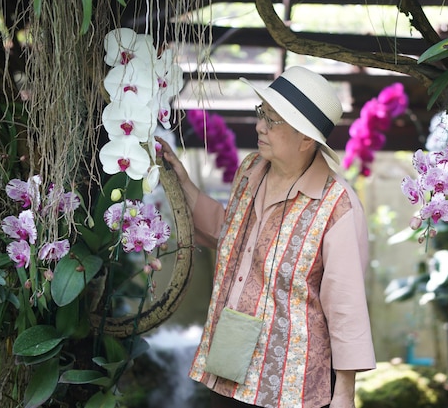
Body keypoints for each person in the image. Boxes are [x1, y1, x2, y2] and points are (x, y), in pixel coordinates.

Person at [157, 66, 375, 408]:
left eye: (273, 120)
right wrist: (184, 182)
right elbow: (230, 233)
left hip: (292, 382)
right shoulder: (251, 169)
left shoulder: (337, 205)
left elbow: (345, 306)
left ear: (306, 138)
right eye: (262, 114)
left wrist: (344, 394)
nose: (260, 126)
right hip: (232, 362)